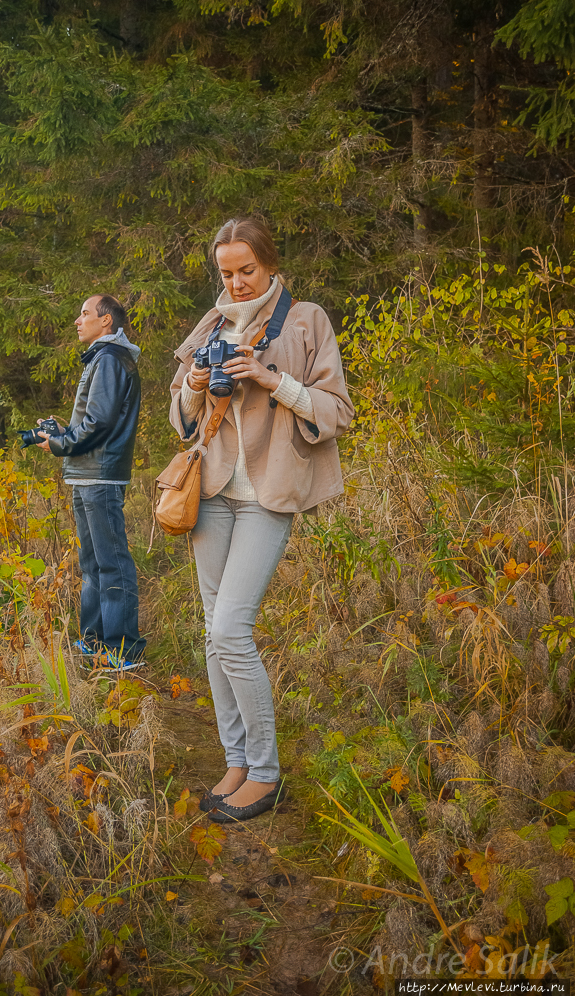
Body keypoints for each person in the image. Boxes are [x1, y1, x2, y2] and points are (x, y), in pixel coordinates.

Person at [168, 218, 354, 822]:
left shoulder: (307, 321)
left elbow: (337, 410)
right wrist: (197, 384)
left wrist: (273, 380)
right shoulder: (211, 326)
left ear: (270, 263)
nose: (238, 282)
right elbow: (179, 414)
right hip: (213, 491)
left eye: (246, 269)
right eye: (226, 272)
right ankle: (237, 759)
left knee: (230, 631)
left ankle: (267, 774)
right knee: (210, 631)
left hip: (269, 494)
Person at [36, 294, 146, 670]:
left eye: (84, 313)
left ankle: (122, 650)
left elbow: (99, 424)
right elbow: (96, 422)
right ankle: (94, 642)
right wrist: (65, 433)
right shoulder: (102, 358)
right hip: (87, 474)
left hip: (101, 476)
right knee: (93, 563)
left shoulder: (111, 359)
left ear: (106, 322)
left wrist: (61, 444)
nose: (77, 320)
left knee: (111, 562)